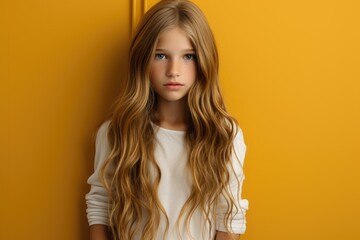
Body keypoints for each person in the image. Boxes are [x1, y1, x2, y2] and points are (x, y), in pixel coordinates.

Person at [85, 0, 248, 239]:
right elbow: (100, 206)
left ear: (204, 60)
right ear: (142, 60)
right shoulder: (117, 132)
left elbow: (229, 219)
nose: (174, 69)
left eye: (188, 57)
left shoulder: (225, 135)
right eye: (160, 56)